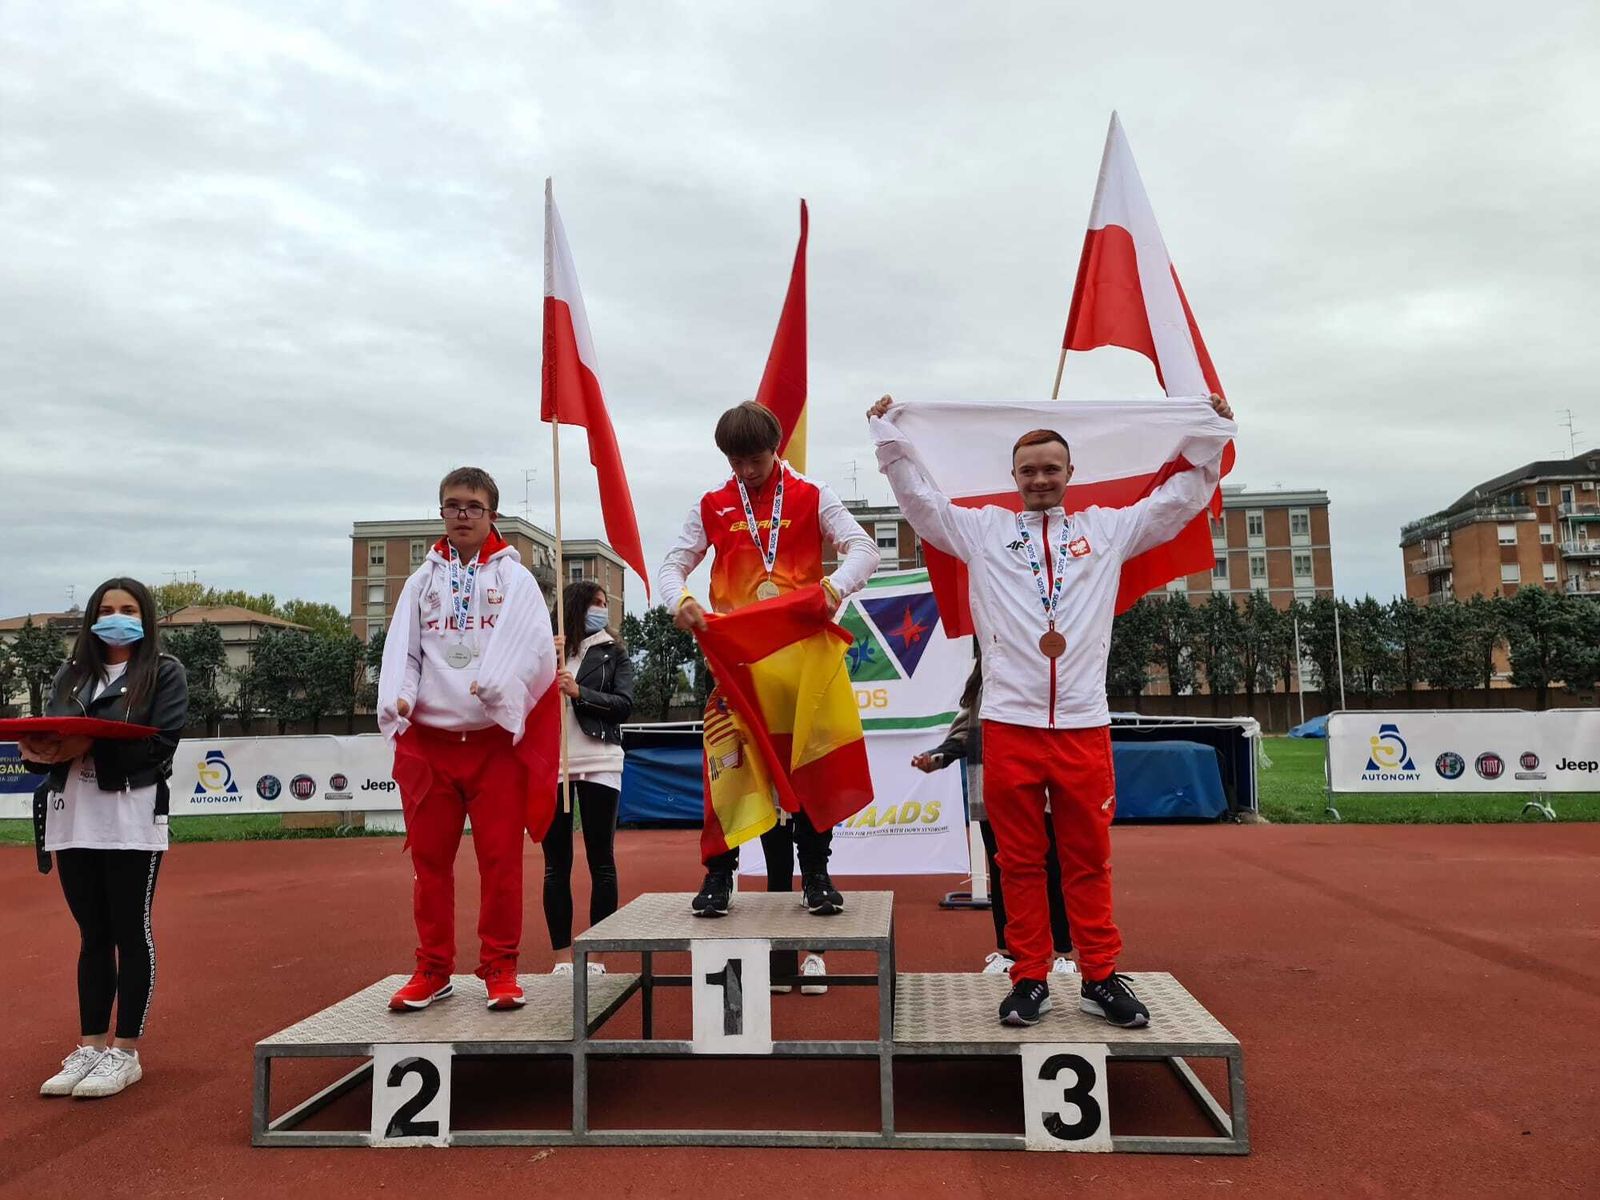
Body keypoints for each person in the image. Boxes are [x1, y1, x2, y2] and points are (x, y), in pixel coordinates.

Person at [870, 391, 1234, 1027]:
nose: (1040, 479)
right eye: (1028, 470)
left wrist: (1209, 434)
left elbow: (1177, 504)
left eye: (1051, 469)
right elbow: (921, 507)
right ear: (1013, 478)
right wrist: (891, 443)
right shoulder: (983, 531)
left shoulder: (1107, 528)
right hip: (1009, 722)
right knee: (1018, 860)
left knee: (1088, 857)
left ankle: (1098, 974)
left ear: (1070, 475)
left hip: (1083, 725)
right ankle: (1030, 974)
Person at [657, 401, 879, 992]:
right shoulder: (712, 504)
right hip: (737, 661)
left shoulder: (811, 494)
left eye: (754, 458)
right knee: (727, 765)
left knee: (805, 767)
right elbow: (672, 563)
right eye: (735, 460)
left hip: (801, 658)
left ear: (775, 447)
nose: (746, 470)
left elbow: (866, 549)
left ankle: (816, 875)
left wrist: (835, 585)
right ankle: (718, 876)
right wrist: (679, 599)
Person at [376, 467, 557, 1013]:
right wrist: (401, 698)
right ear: (442, 512)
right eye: (452, 505)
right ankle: (433, 968)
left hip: (493, 744)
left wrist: (505, 687)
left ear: (491, 515)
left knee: (500, 862)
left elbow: (536, 653)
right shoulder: (420, 581)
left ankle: (500, 966)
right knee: (430, 864)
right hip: (430, 742)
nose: (461, 514)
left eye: (473, 506)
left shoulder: (515, 580)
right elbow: (406, 653)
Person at [19, 577, 189, 1099]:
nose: (118, 616)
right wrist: (41, 750)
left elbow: (161, 744)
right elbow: (49, 734)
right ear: (93, 616)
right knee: (93, 936)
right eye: (108, 608)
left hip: (129, 817)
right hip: (73, 817)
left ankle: (126, 1051)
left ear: (146, 617)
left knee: (129, 931)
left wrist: (86, 744)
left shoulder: (164, 672)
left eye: (129, 608)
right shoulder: (71, 674)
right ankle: (90, 1046)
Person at [913, 657, 1075, 978]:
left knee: (1051, 871)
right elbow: (964, 733)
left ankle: (1061, 953)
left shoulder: (1041, 669)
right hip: (993, 797)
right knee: (1003, 876)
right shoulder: (983, 678)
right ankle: (1011, 952)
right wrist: (936, 757)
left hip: (1039, 795)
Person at [544, 579, 634, 978]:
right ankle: (562, 957)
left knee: (602, 860)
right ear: (575, 607)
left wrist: (580, 692)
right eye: (595, 602)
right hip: (553, 764)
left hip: (599, 760)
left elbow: (624, 705)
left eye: (605, 601)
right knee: (555, 863)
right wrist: (548, 663)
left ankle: (596, 955)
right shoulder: (548, 648)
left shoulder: (614, 653)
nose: (602, 608)